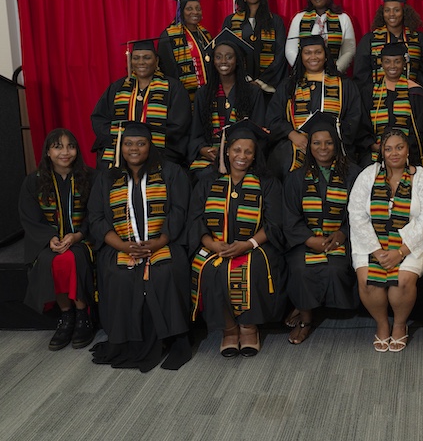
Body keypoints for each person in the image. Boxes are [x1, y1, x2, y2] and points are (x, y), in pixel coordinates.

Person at [87, 121, 192, 371]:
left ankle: (170, 339)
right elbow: (97, 218)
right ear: (121, 147)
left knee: (165, 271)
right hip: (121, 246)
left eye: (141, 143)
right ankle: (127, 343)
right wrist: (122, 246)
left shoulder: (170, 172)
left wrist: (159, 242)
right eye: (128, 143)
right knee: (120, 274)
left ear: (150, 145)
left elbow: (179, 211)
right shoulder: (107, 177)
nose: (134, 149)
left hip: (163, 242)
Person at [188, 120, 285, 358]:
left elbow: (274, 223)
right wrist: (211, 244)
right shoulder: (207, 181)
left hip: (254, 246)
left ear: (255, 155)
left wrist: (248, 244)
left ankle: (249, 328)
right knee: (210, 270)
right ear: (227, 151)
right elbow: (195, 219)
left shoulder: (267, 183)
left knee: (252, 268)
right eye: (236, 150)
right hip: (214, 246)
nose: (241, 156)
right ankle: (229, 330)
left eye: (248, 151)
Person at [348, 128, 423, 352]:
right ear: (382, 152)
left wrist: (400, 252)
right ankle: (382, 324)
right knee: (367, 280)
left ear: (408, 149)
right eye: (388, 149)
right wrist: (377, 251)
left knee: (403, 280)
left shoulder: (422, 179)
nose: (394, 153)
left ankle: (399, 325)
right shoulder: (367, 175)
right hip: (370, 240)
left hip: (409, 243)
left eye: (399, 147)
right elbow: (356, 214)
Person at [282, 112, 362, 344]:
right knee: (300, 268)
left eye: (328, 142)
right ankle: (306, 318)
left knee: (337, 267)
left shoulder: (353, 174)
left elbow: (360, 213)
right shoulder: (296, 178)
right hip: (305, 240)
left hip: (341, 240)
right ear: (310, 146)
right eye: (316, 143)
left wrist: (343, 233)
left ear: (336, 145)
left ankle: (307, 307)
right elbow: (290, 216)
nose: (323, 147)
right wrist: (309, 240)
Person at [19, 129, 96, 351]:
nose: (65, 152)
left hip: (83, 239)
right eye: (58, 147)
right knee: (53, 259)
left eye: (70, 146)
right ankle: (66, 316)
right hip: (48, 241)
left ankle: (83, 316)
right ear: (47, 152)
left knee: (73, 258)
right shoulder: (33, 182)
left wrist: (78, 235)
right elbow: (29, 217)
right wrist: (50, 238)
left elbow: (96, 215)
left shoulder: (91, 177)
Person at [266, 35, 362, 179]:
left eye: (318, 52)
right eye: (308, 53)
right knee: (284, 160)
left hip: (334, 144)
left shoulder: (344, 85)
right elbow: (273, 118)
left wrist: (330, 140)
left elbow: (354, 118)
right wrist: (293, 135)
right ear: (301, 57)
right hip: (297, 145)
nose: (313, 57)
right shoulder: (289, 85)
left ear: (325, 56)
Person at [91, 38, 191, 167]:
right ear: (130, 61)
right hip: (121, 151)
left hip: (161, 150)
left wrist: (145, 144)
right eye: (136, 58)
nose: (141, 62)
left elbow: (179, 126)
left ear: (157, 61)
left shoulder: (173, 88)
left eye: (147, 58)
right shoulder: (117, 87)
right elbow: (100, 118)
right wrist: (123, 141)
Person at [188, 29, 266, 173]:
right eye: (218, 57)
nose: (223, 61)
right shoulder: (203, 93)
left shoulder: (252, 92)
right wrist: (202, 149)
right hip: (211, 155)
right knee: (201, 175)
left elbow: (258, 131)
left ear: (237, 61)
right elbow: (196, 133)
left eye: (229, 57)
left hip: (242, 155)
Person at [353, 0, 423, 92]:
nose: (391, 14)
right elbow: (362, 75)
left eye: (396, 10)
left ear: (404, 12)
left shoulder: (419, 39)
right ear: (382, 13)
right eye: (387, 10)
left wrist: (417, 93)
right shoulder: (369, 40)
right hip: (377, 99)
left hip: (410, 99)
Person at [359, 42, 423, 166]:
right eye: (387, 61)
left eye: (397, 61)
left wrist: (401, 149)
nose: (392, 66)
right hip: (376, 154)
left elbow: (419, 130)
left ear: (404, 63)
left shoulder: (415, 92)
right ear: (381, 63)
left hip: (407, 154)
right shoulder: (370, 92)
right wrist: (375, 146)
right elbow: (363, 126)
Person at [223, 0, 288, 94]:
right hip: (239, 86)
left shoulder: (275, 21)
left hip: (268, 87)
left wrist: (260, 82)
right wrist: (245, 79)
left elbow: (280, 54)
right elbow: (226, 51)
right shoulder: (231, 21)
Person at [288, 0, 356, 75]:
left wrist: (334, 71)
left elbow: (349, 51)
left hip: (335, 77)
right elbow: (290, 50)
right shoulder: (299, 18)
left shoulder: (343, 19)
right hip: (304, 76)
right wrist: (306, 69)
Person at [158, 0, 213, 103]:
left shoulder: (205, 34)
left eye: (198, 8)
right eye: (189, 9)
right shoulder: (170, 35)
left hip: (207, 96)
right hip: (183, 98)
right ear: (181, 11)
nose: (195, 12)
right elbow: (168, 70)